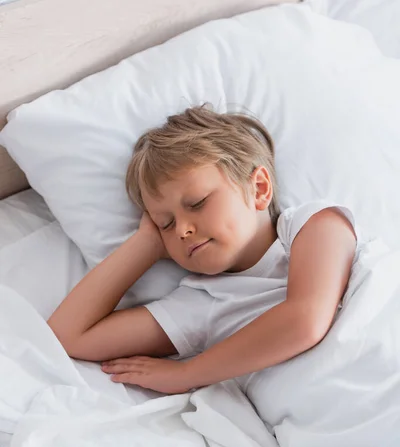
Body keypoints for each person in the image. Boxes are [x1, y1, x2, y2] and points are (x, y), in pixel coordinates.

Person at [47, 104, 357, 396]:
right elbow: (65, 336)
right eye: (165, 223)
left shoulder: (312, 225)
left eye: (197, 204)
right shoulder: (200, 303)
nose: (182, 230)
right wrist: (145, 246)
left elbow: (305, 320)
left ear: (259, 188)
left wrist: (185, 374)